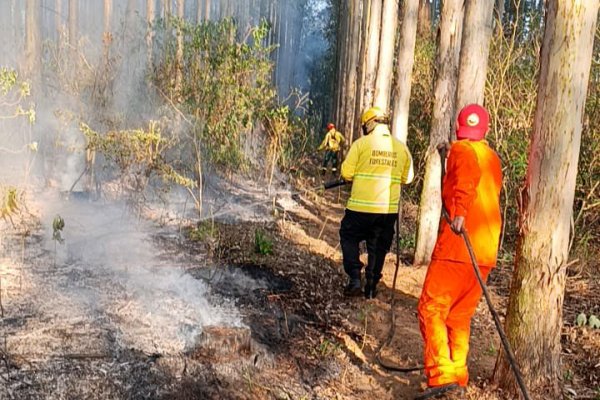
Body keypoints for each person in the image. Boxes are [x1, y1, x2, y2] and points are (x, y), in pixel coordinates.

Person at [416, 104, 502, 399]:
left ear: (459, 128)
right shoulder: (492, 157)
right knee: (458, 316)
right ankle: (458, 375)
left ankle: (441, 377)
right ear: (485, 131)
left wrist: (460, 214)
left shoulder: (463, 151)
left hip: (458, 244)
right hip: (484, 251)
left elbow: (466, 180)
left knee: (431, 308)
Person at [339, 107, 414, 298]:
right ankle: (371, 287)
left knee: (349, 237)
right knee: (378, 247)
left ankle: (355, 278)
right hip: (386, 212)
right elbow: (408, 178)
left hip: (359, 209)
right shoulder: (401, 148)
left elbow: (346, 173)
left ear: (369, 124)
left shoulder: (361, 144)